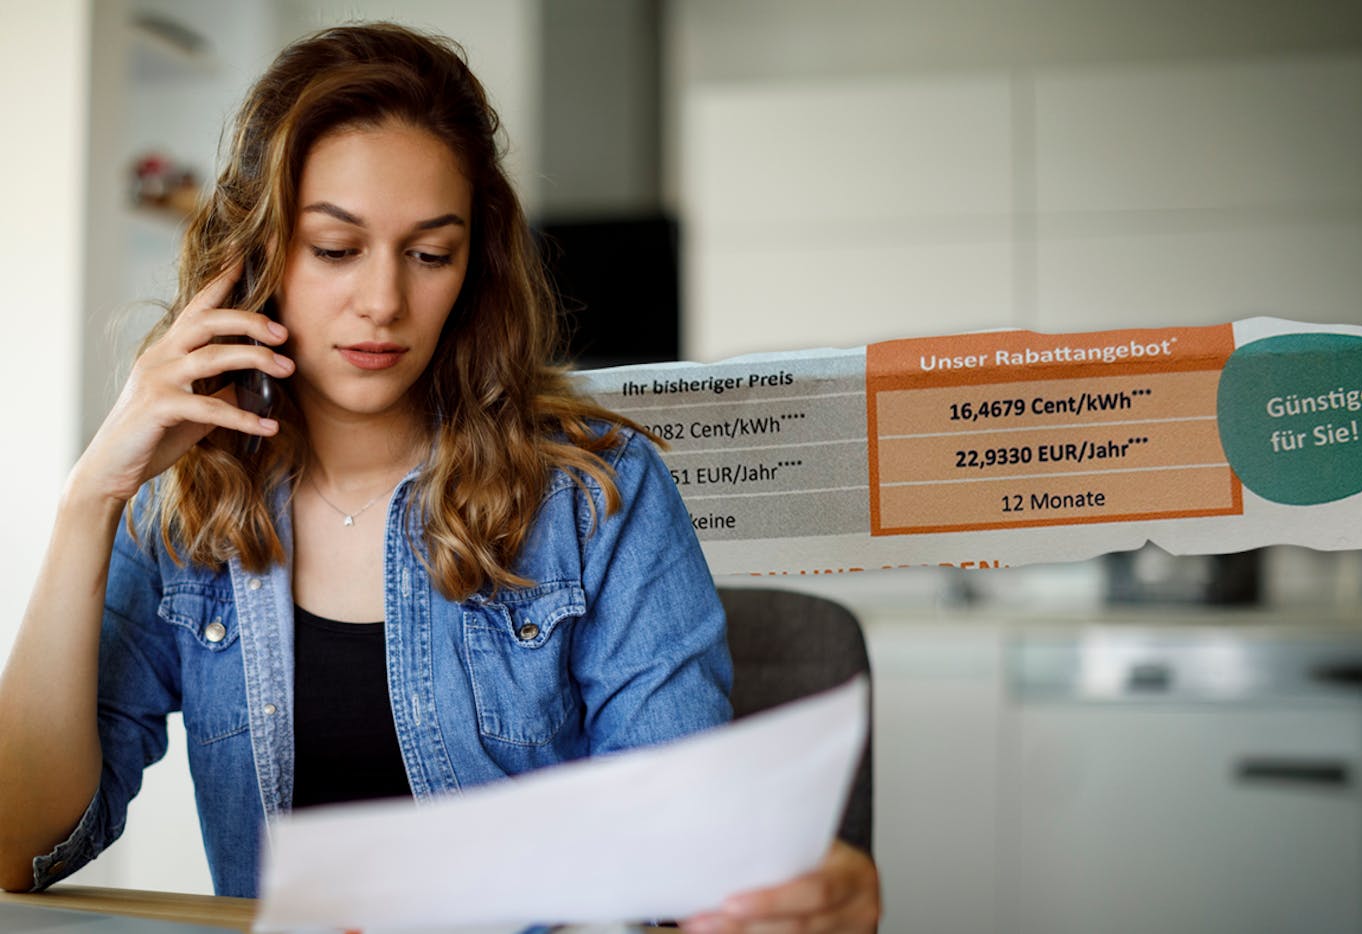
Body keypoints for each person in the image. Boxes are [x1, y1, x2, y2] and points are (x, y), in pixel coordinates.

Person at [0, 22, 878, 932]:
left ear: (474, 269)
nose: (383, 301)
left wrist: (806, 887)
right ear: (257, 258)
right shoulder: (185, 508)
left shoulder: (597, 493)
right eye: (336, 249)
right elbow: (20, 845)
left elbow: (682, 860)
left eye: (429, 254)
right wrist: (90, 500)